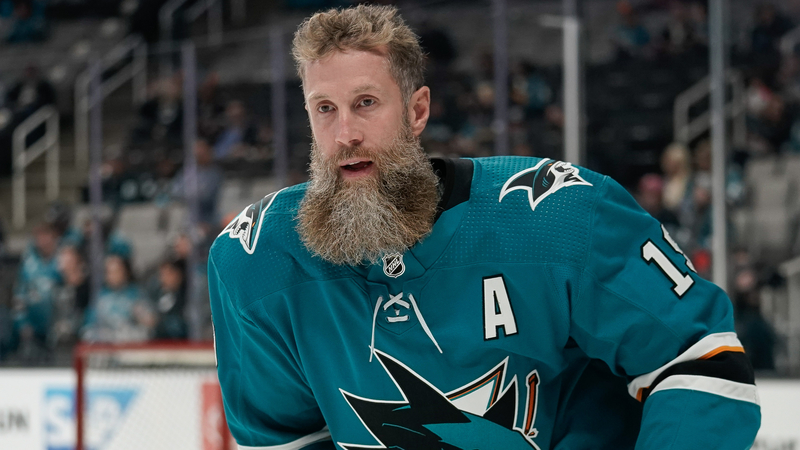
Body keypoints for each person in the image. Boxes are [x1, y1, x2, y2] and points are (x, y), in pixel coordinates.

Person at [208, 5, 760, 450]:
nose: (345, 132)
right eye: (324, 108)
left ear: (417, 111)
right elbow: (285, 437)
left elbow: (701, 365)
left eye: (366, 102)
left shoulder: (557, 215)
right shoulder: (257, 260)